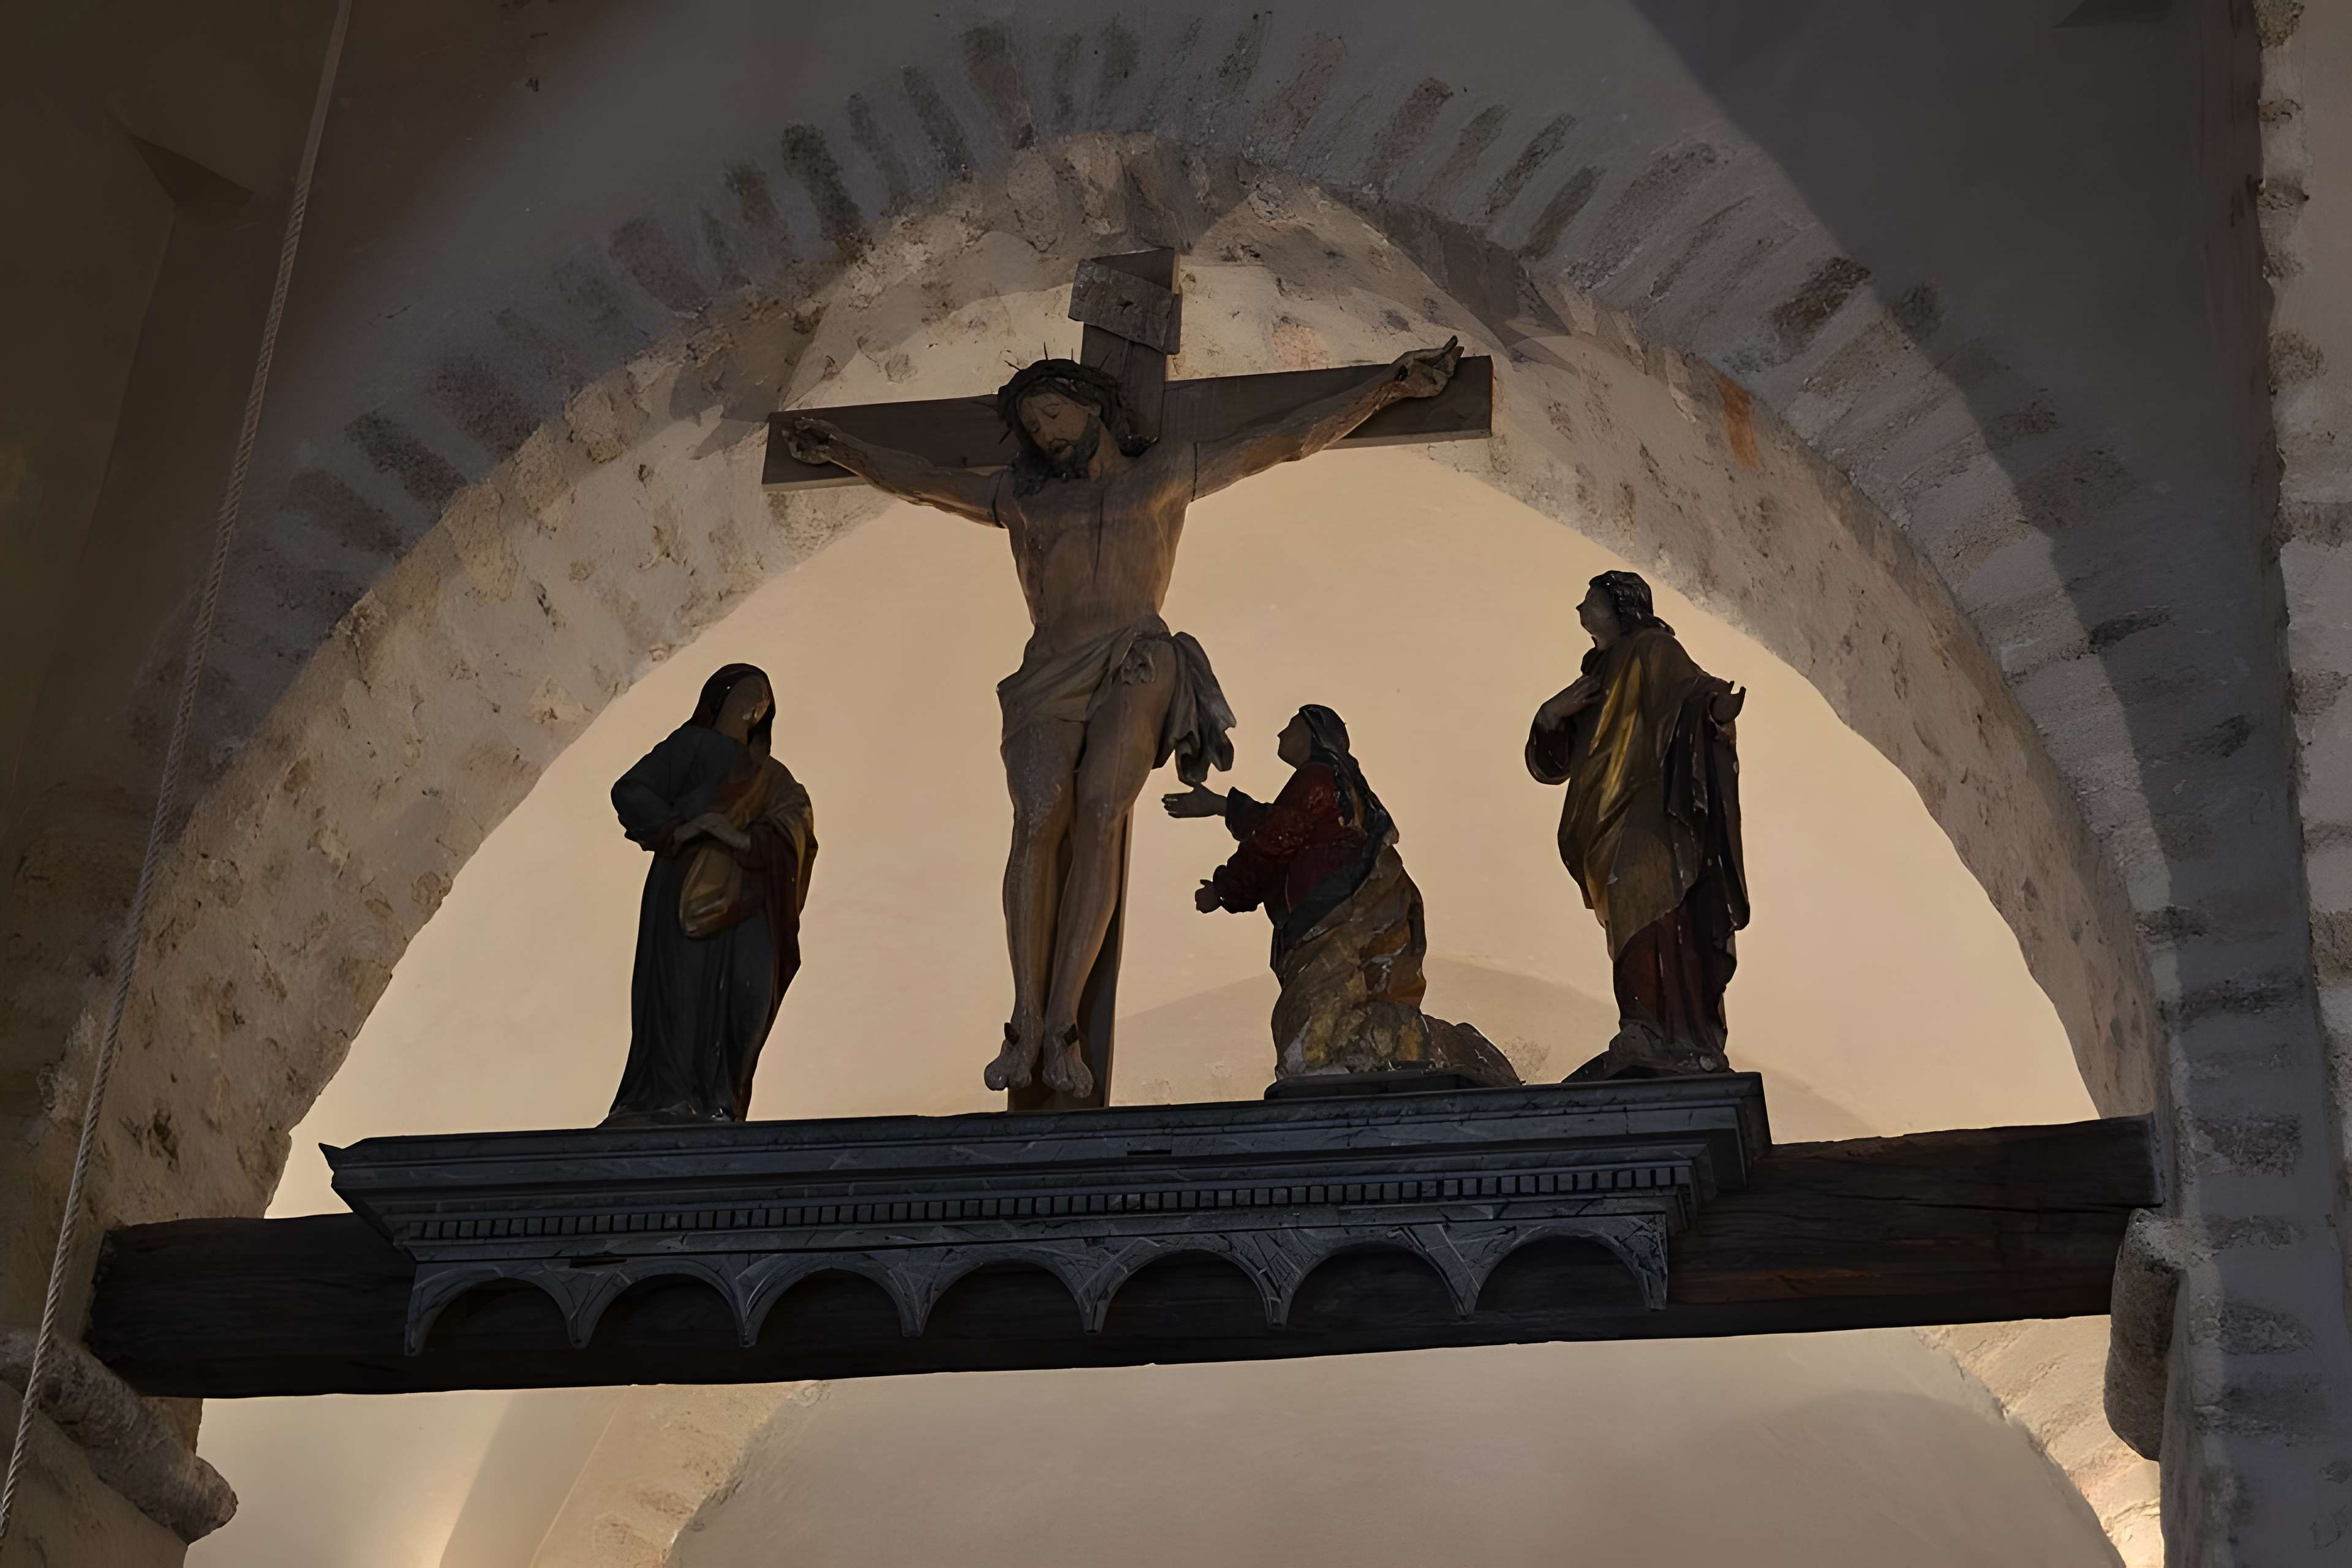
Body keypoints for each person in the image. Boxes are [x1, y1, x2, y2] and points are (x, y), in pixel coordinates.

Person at [786, 337, 1463, 1103]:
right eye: (1032, 424)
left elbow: (1281, 440)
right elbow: (924, 482)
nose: (1044, 434)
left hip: (1138, 657)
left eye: (1052, 412)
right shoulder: (1022, 497)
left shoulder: (1164, 474)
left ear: (1093, 406)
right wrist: (844, 449)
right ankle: (1025, 1016)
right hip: (1050, 670)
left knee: (1102, 810)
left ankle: (1066, 1021)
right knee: (1040, 816)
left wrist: (1383, 388)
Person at [1166, 705, 1518, 1088]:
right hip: (1355, 914)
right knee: (1350, 1013)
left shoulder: (1315, 779)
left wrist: (1223, 889)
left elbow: (1276, 839)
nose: (1280, 734)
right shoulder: (1337, 783)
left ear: (1313, 736)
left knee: (1310, 1028)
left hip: (1335, 921)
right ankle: (1445, 1052)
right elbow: (1285, 823)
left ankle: (1431, 1055)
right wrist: (1221, 806)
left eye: (1291, 726)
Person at [1526, 572, 1747, 1078]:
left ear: (1620, 605)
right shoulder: (1597, 673)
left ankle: (1658, 1029)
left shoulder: (1652, 649)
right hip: (1601, 814)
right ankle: (1651, 1026)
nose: (1580, 606)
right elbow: (1555, 764)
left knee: (1648, 908)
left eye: (1591, 598)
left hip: (1650, 811)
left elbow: (1690, 693)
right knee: (1627, 914)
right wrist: (1549, 717)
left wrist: (1715, 709)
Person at [602, 664, 816, 1125]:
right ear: (719, 698)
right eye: (746, 693)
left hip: (748, 898)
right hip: (684, 894)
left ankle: (722, 1096)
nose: (755, 705)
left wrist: (741, 839)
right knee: (681, 993)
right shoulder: (690, 746)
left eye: (763, 699)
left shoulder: (772, 776)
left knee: (750, 995)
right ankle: (669, 1098)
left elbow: (796, 820)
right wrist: (682, 828)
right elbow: (630, 790)